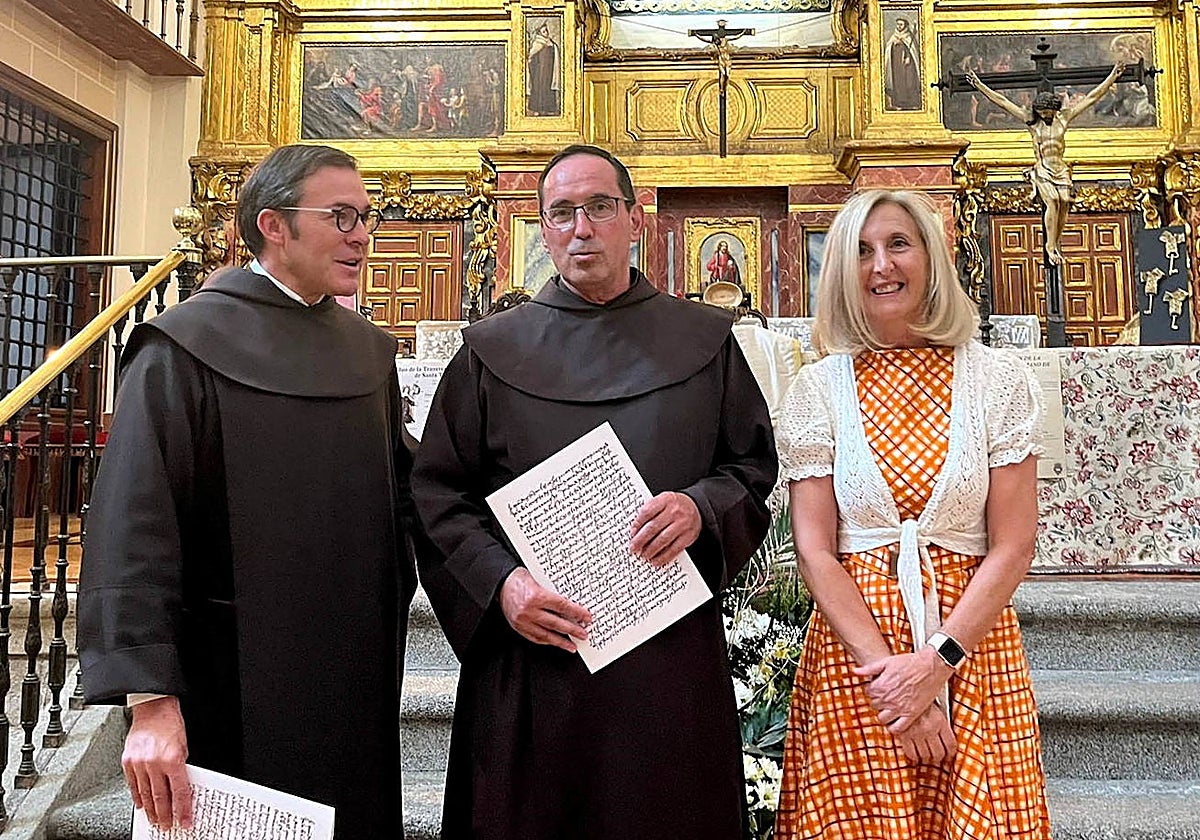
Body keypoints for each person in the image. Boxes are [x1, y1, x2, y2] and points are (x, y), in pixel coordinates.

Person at [411, 143, 778, 840]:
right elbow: (438, 497)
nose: (582, 228)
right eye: (563, 213)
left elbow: (752, 468)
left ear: (635, 220)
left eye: (600, 208)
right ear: (543, 229)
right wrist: (503, 587)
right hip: (535, 658)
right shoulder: (490, 352)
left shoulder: (703, 342)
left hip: (664, 660)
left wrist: (701, 509)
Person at [78, 144, 419, 839]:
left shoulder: (367, 353)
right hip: (229, 684)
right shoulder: (181, 347)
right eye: (341, 215)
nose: (362, 233)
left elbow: (413, 502)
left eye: (366, 216)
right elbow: (133, 526)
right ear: (273, 224)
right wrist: (150, 701)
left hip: (353, 679)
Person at [773, 189, 1050, 839]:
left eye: (898, 244)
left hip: (970, 651)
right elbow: (815, 549)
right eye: (862, 251)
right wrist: (891, 683)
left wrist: (934, 664)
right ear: (841, 269)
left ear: (931, 255)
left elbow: (1013, 545)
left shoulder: (995, 379)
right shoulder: (820, 388)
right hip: (858, 660)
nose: (881, 266)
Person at [967, 64, 1123, 265]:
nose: (1046, 116)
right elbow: (1003, 102)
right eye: (1042, 112)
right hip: (1043, 168)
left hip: (1060, 168)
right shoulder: (1031, 121)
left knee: (1064, 201)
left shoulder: (1063, 118)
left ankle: (1056, 241)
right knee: (1052, 201)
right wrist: (980, 86)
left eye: (1049, 112)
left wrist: (1112, 77)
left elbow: (1092, 97)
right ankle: (1049, 246)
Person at [884, 17, 921, 110]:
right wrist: (893, 44)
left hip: (908, 66)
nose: (899, 26)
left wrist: (909, 57)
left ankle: (912, 103)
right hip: (897, 66)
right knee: (898, 83)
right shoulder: (894, 36)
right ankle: (898, 104)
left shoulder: (909, 36)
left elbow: (913, 51)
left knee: (910, 82)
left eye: (901, 24)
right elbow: (888, 49)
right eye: (898, 24)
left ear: (905, 25)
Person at [527, 23, 561, 116]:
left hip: (549, 71)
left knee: (548, 88)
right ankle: (537, 109)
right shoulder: (537, 43)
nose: (546, 33)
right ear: (540, 33)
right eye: (544, 31)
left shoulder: (551, 43)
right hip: (539, 72)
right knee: (539, 89)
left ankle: (548, 108)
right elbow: (530, 57)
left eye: (546, 31)